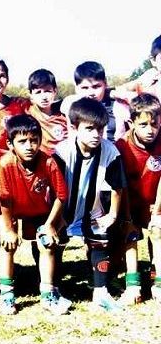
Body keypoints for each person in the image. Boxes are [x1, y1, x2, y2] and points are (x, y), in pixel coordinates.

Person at [53, 98, 127, 313]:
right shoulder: (61, 151)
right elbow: (53, 186)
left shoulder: (110, 151)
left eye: (100, 129)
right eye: (89, 129)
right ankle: (54, 289)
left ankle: (101, 292)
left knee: (100, 237)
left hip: (92, 209)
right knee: (54, 243)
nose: (96, 134)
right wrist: (54, 219)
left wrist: (112, 214)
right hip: (64, 210)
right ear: (74, 127)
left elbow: (117, 186)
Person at [0, 114, 71, 315]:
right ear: (11, 144)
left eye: (34, 140)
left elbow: (61, 195)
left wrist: (50, 224)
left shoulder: (48, 162)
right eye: (22, 141)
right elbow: (5, 199)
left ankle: (48, 294)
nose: (29, 146)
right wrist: (9, 229)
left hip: (40, 212)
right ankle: (6, 295)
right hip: (12, 211)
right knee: (7, 242)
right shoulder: (5, 163)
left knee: (47, 242)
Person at [115, 94, 161, 305]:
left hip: (156, 202)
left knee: (158, 231)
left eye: (154, 124)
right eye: (143, 124)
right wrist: (126, 217)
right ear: (131, 123)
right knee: (130, 235)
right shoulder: (121, 147)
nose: (150, 130)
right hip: (130, 202)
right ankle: (132, 284)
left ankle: (157, 280)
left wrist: (158, 210)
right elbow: (120, 185)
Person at [60, 61, 130, 142]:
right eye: (85, 88)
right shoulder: (70, 104)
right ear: (76, 88)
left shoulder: (119, 105)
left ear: (105, 83)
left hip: (114, 152)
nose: (91, 93)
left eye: (96, 87)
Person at [26, 69, 67, 155]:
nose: (44, 97)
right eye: (38, 92)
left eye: (47, 91)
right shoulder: (27, 112)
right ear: (31, 95)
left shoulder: (64, 115)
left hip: (63, 162)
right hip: (40, 162)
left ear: (55, 91)